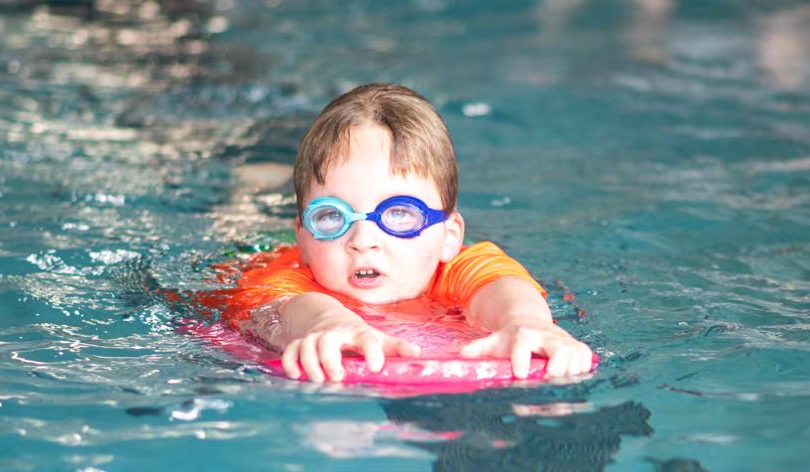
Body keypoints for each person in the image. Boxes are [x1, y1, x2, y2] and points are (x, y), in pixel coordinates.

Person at [220, 83, 594, 383]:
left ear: (450, 236)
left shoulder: (458, 268)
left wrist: (525, 323)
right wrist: (328, 323)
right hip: (255, 252)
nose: (363, 240)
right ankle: (248, 188)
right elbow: (292, 309)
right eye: (331, 216)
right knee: (239, 220)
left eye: (399, 214)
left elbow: (504, 287)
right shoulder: (282, 279)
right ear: (303, 238)